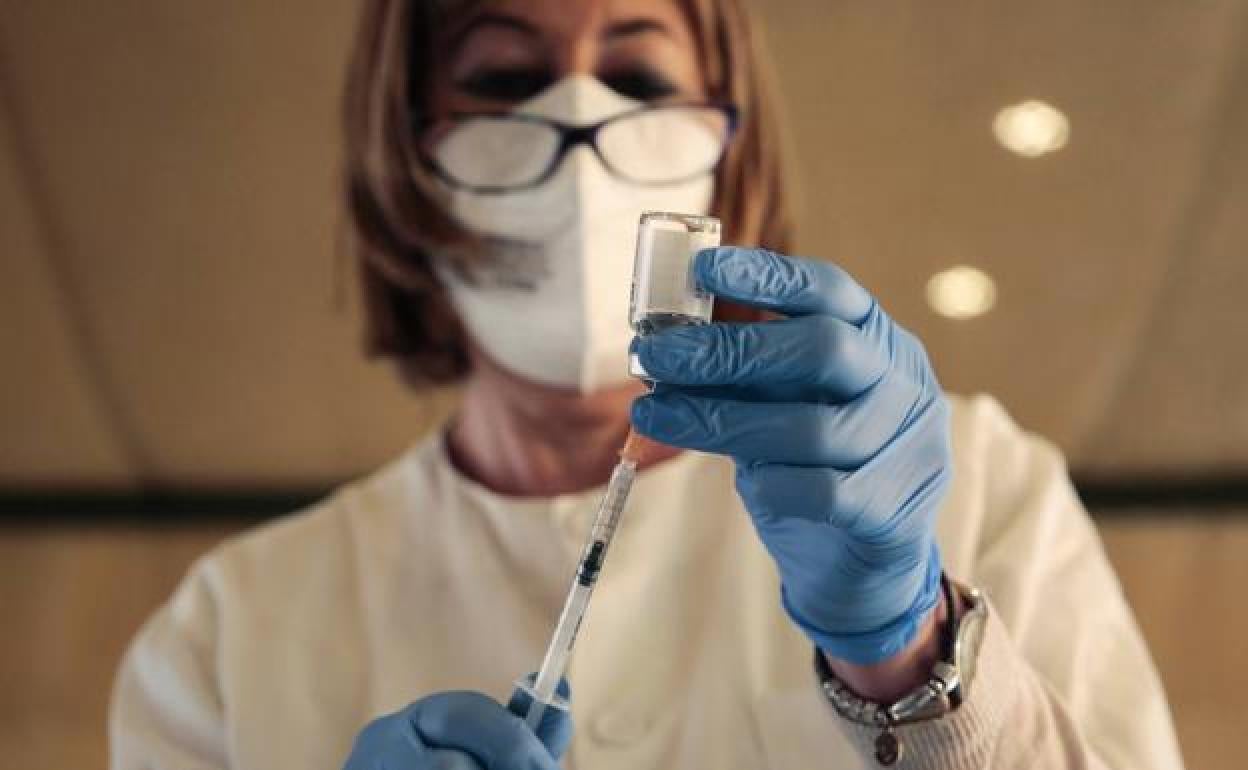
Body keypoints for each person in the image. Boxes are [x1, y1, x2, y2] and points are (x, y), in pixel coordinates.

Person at [109, 1, 1185, 768]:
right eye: (504, 79)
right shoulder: (226, 636)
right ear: (405, 149)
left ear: (724, 134)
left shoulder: (975, 480)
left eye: (639, 80)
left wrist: (910, 655)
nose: (581, 129)